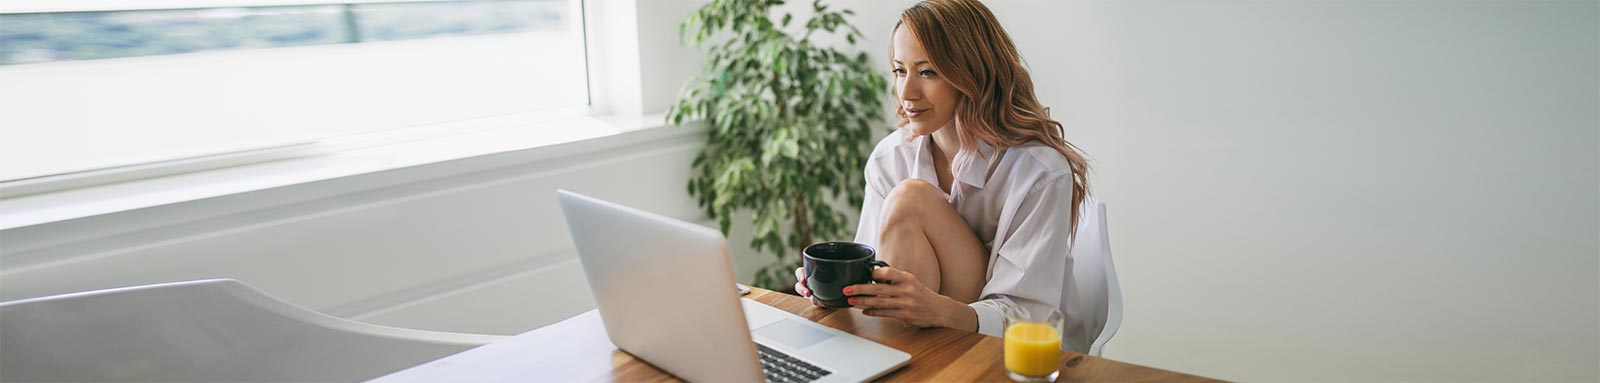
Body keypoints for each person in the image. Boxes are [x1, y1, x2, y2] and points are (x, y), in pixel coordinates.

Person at [793, 0, 1091, 338]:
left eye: (927, 72)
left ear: (971, 73)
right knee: (908, 198)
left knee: (910, 198)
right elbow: (874, 270)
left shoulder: (1039, 173)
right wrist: (837, 289)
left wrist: (938, 309)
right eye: (899, 70)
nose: (906, 92)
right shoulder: (890, 157)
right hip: (921, 338)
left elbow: (1029, 313)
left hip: (1017, 350)